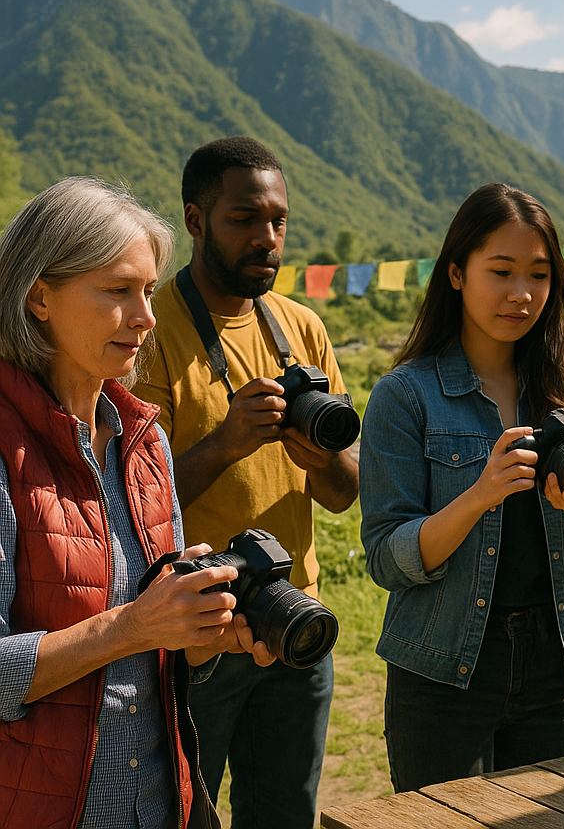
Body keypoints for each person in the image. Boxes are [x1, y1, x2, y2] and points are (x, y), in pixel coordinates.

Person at [0, 177, 273, 829]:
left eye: (149, 291)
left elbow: (154, 661)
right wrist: (135, 625)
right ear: (39, 297)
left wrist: (206, 633)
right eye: (118, 290)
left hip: (156, 804)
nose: (147, 316)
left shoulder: (144, 442)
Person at [359, 183, 564, 792]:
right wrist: (479, 494)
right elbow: (386, 556)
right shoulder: (406, 396)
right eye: (501, 271)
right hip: (443, 668)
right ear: (456, 274)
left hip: (559, 667)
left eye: (539, 275)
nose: (521, 293)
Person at [134, 138, 358, 829]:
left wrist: (316, 455)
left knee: (286, 816)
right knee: (184, 815)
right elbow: (132, 500)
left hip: (293, 618)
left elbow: (345, 492)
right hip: (195, 633)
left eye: (279, 220)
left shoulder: (302, 326)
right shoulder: (150, 331)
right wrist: (230, 440)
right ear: (196, 220)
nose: (268, 238)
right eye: (244, 218)